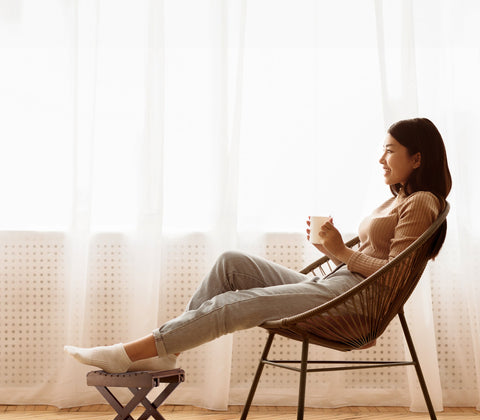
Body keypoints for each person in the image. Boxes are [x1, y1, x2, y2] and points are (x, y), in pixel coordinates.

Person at [65, 117, 452, 374]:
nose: (380, 158)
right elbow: (369, 257)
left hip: (352, 302)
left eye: (389, 150)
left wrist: (340, 252)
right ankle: (167, 351)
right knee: (230, 263)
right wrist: (334, 250)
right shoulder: (399, 197)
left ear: (417, 158)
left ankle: (128, 354)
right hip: (338, 285)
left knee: (232, 305)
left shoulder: (422, 202)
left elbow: (395, 272)